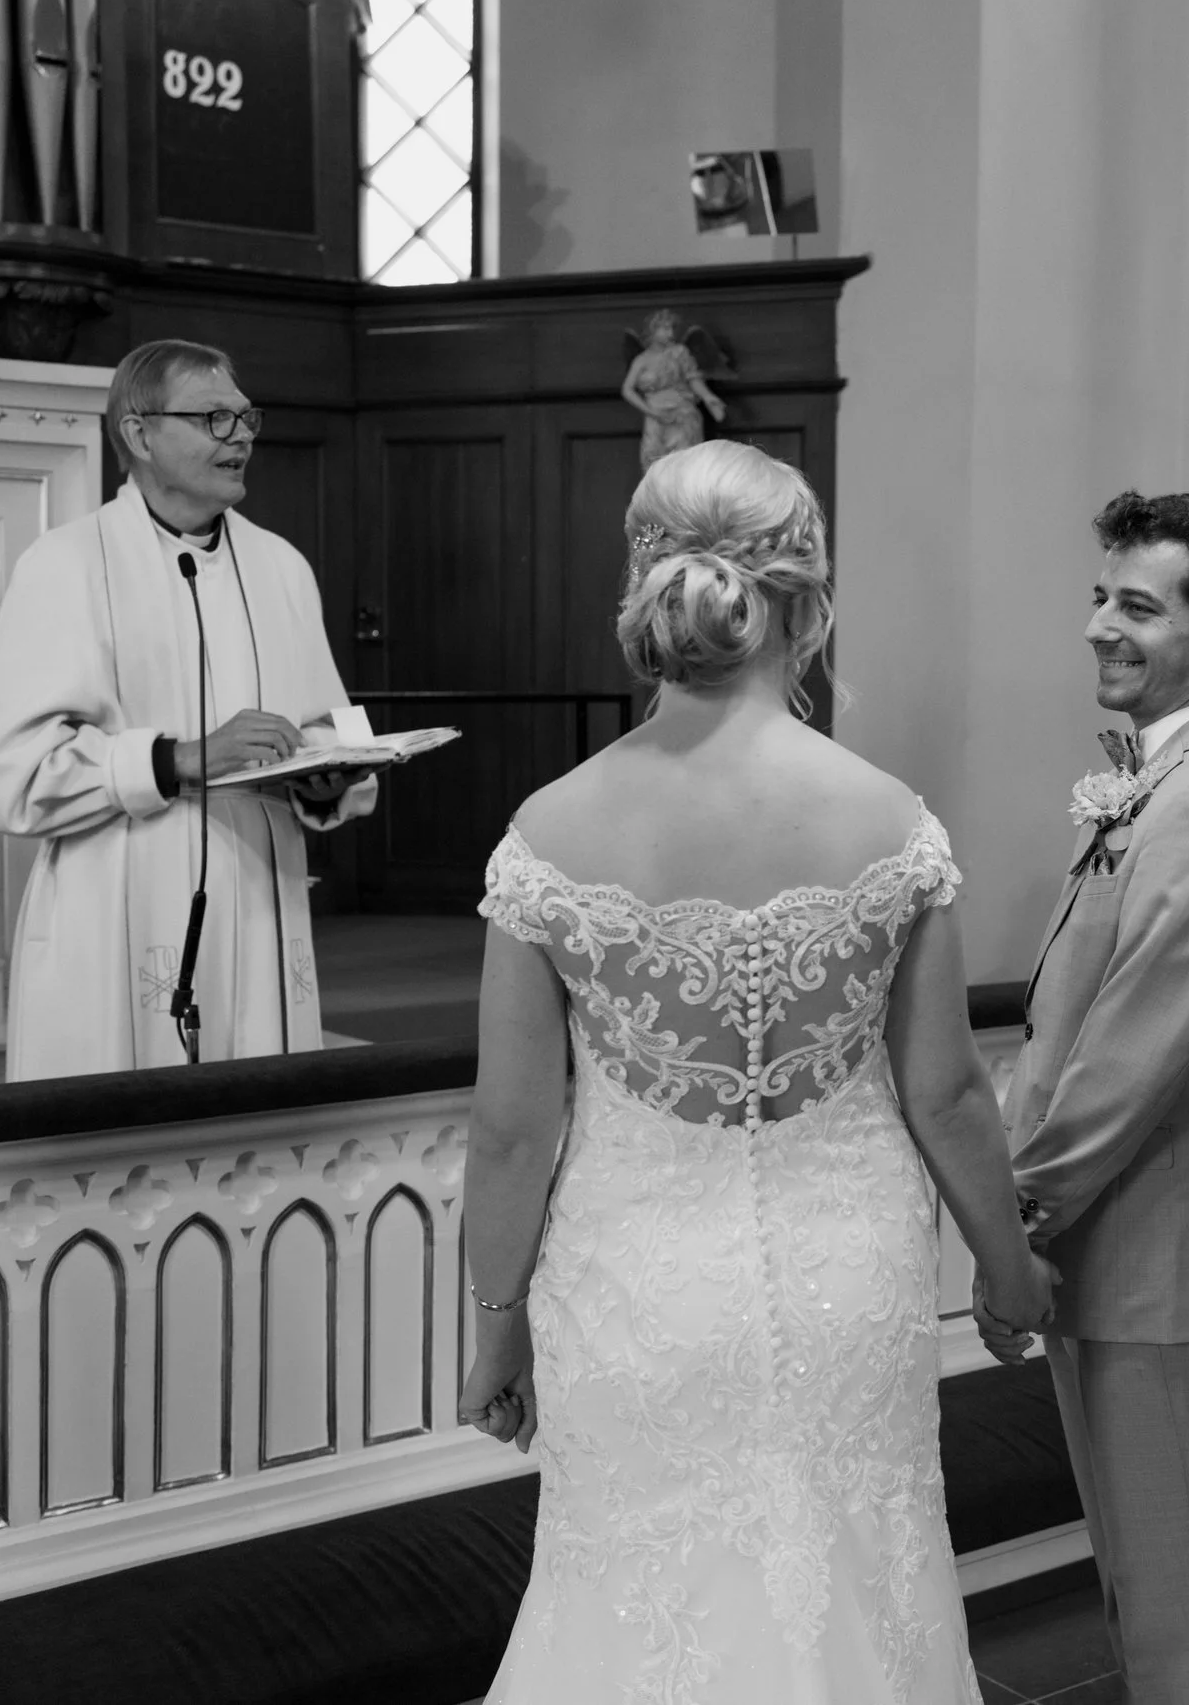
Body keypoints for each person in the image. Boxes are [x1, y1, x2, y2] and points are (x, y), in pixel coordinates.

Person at [460, 439, 1053, 1702]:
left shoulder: (549, 830)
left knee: (629, 1598)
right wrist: (1008, 1271)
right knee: (856, 1578)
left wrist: (495, 1327)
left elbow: (512, 1130)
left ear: (644, 583)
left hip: (632, 1289)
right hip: (849, 1278)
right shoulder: (890, 817)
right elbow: (946, 1093)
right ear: (810, 597)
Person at [978, 490, 1189, 1705]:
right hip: (1125, 1259)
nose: (1100, 625)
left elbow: (1128, 1057)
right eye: (1100, 596)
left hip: (1165, 1266)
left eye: (1138, 606)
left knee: (1178, 1609)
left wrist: (1015, 1221)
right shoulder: (1167, 780)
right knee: (1141, 1588)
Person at [0, 340, 374, 1077]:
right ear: (139, 433)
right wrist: (177, 760)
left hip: (259, 900)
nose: (241, 436)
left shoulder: (281, 566)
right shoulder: (65, 564)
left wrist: (326, 777)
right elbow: (12, 773)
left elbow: (326, 723)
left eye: (245, 417)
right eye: (214, 418)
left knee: (257, 1130)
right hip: (116, 907)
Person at [619, 308, 727, 471]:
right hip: (656, 416)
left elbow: (693, 379)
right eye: (665, 328)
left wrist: (707, 396)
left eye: (672, 328)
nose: (670, 333)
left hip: (682, 414)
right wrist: (650, 412)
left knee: (684, 462)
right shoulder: (641, 360)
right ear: (652, 330)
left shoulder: (679, 353)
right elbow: (627, 390)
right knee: (655, 463)